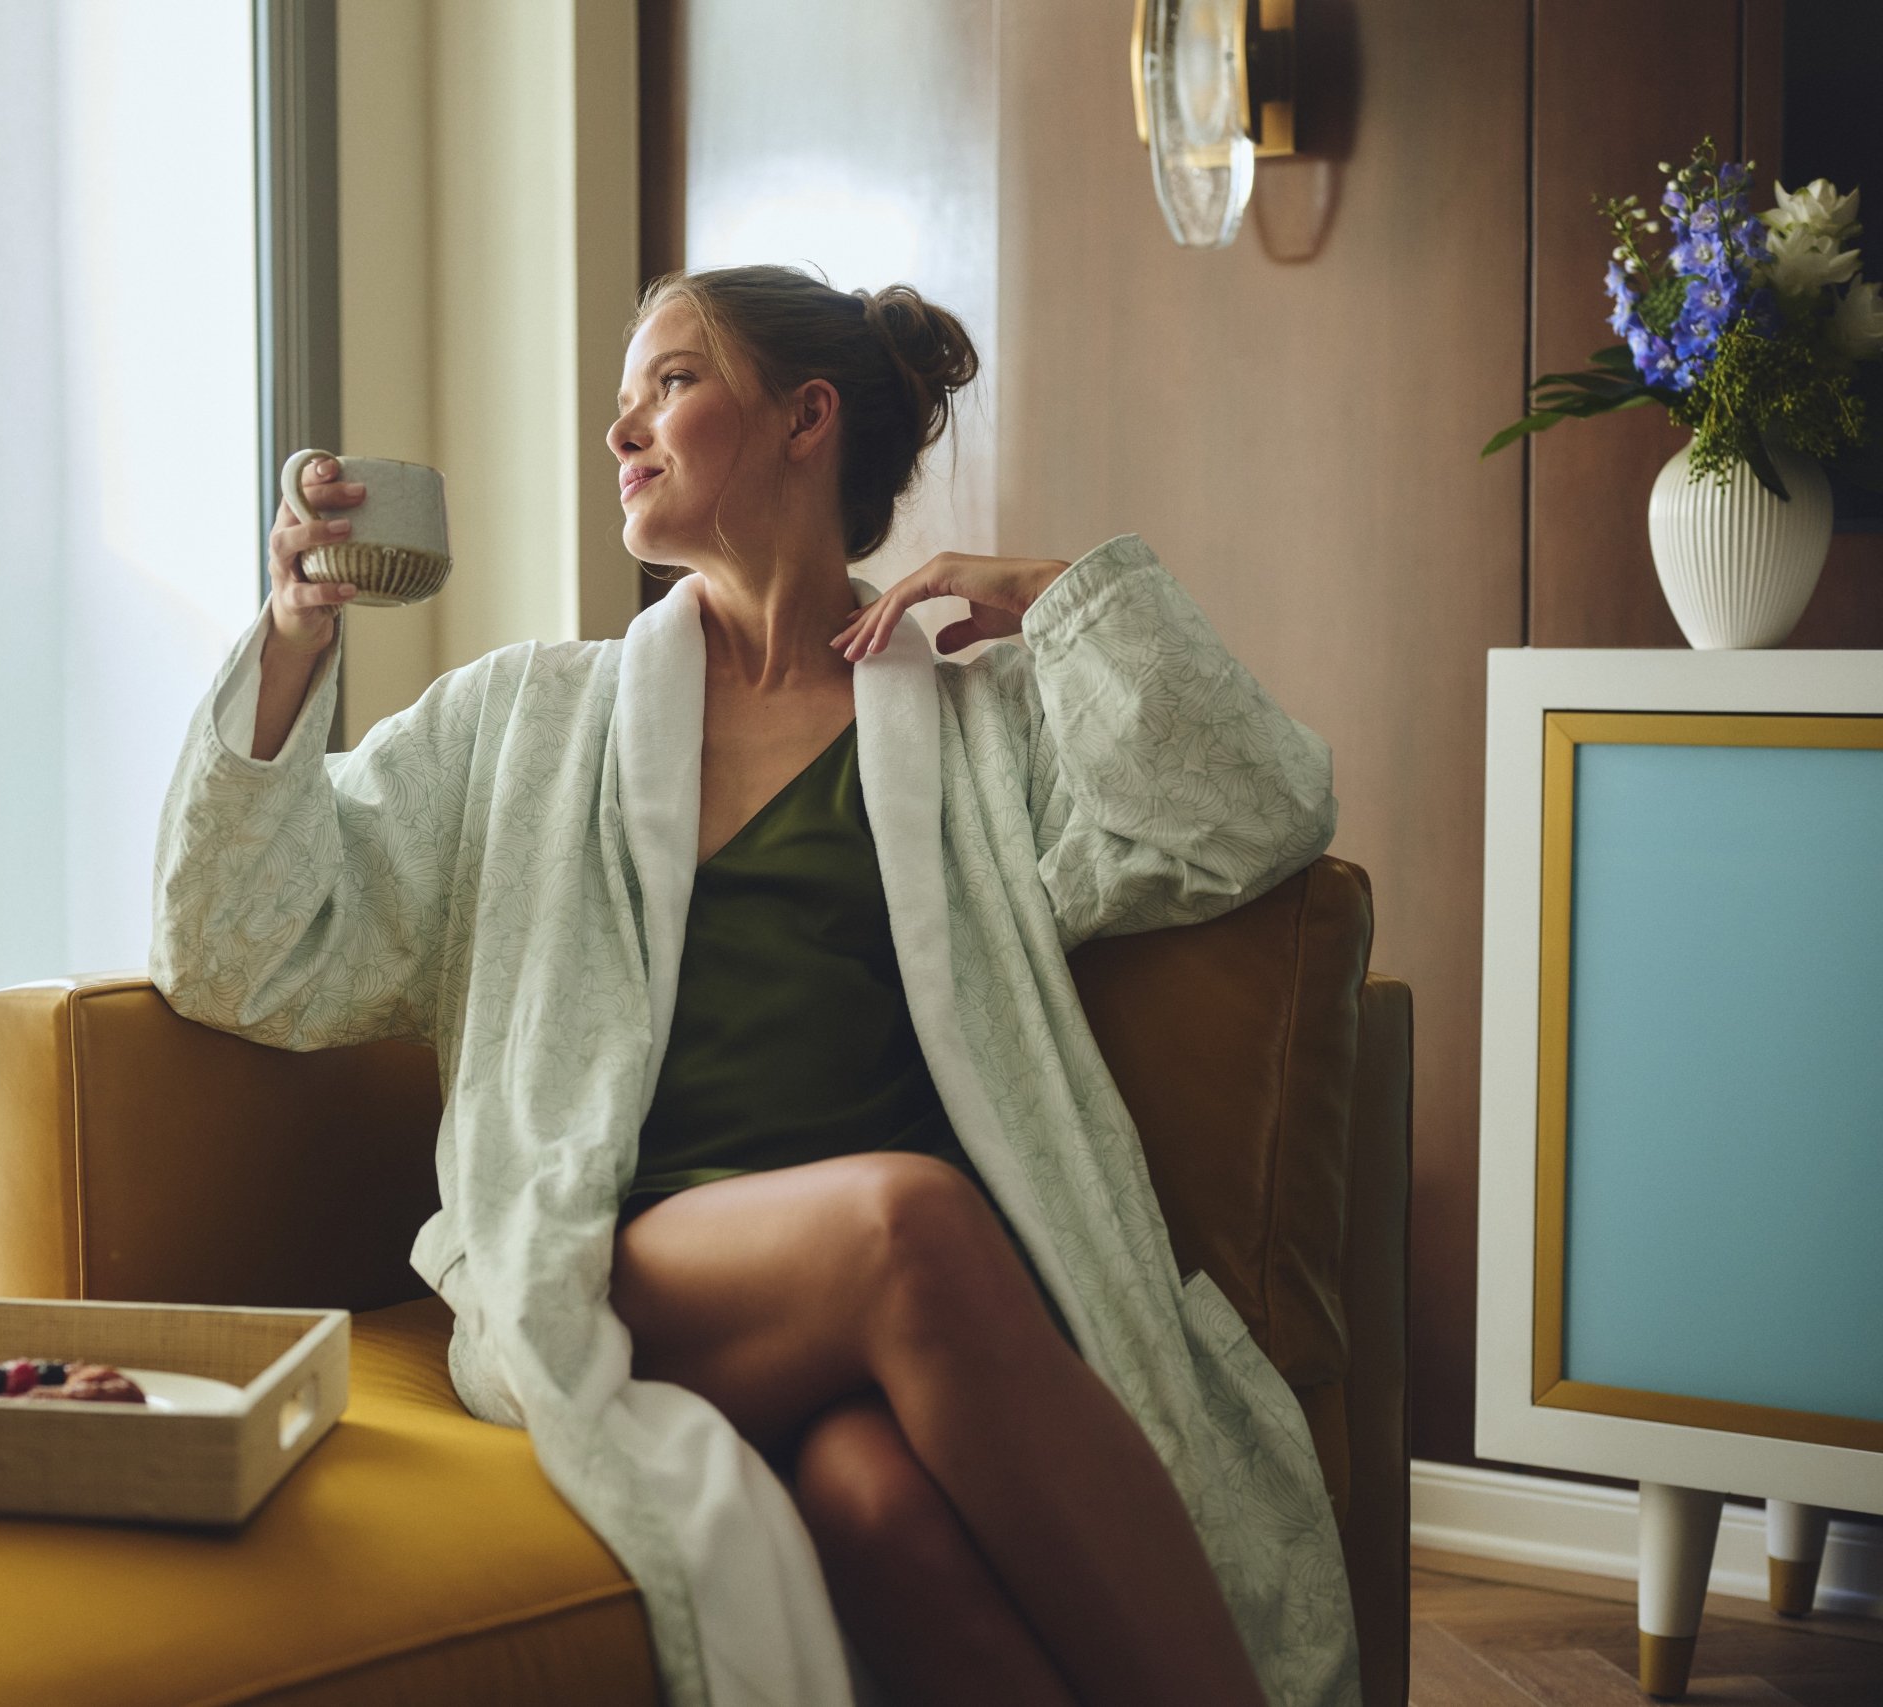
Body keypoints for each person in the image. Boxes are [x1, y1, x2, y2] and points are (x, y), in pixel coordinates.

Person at [154, 264, 1358, 1707]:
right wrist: (297, 637)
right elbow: (243, 943)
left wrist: (1051, 599)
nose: (621, 434)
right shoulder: (528, 723)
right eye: (620, 403)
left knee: (876, 1508)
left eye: (666, 384)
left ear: (806, 419)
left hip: (908, 1316)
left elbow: (1257, 807)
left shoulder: (980, 729)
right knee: (907, 1223)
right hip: (638, 1265)